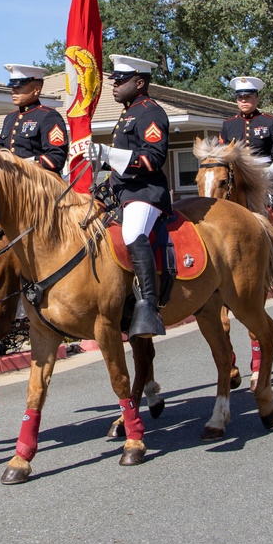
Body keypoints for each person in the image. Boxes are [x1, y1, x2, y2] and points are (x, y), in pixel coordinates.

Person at [89, 55, 171, 339]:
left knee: (133, 233)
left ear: (139, 82)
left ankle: (149, 304)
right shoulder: (128, 113)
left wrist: (109, 154)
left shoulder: (150, 112)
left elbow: (153, 159)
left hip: (145, 193)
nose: (115, 85)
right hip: (120, 192)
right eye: (115, 80)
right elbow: (121, 161)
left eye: (121, 81)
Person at [219, 76, 273, 269]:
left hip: (267, 179)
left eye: (248, 97)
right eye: (240, 98)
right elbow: (223, 156)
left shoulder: (269, 122)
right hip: (239, 181)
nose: (244, 101)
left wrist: (269, 172)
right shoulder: (228, 125)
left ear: (257, 99)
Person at [0, 64, 69, 174]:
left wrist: (22, 163)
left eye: (19, 87)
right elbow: (0, 150)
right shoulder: (10, 118)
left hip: (40, 185)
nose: (14, 91)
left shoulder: (48, 116)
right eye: (12, 88)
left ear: (36, 90)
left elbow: (56, 159)